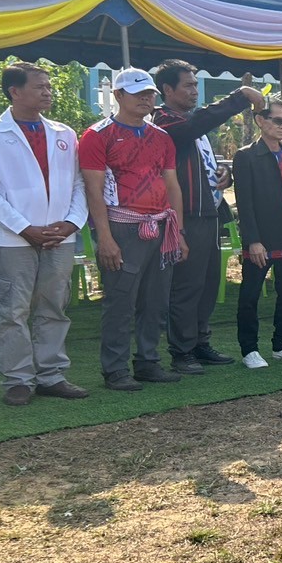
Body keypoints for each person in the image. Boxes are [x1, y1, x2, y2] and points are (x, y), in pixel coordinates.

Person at [0, 60, 88, 405]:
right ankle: (18, 380)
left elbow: (79, 183)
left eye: (49, 86)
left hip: (59, 236)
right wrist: (24, 227)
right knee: (14, 311)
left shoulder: (64, 133)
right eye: (39, 87)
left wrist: (72, 222)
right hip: (13, 239)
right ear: (15, 92)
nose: (48, 92)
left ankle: (51, 374)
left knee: (54, 306)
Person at [152, 59, 264, 373]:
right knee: (186, 287)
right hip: (186, 216)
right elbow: (194, 128)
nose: (194, 91)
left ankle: (200, 343)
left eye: (195, 84)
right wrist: (240, 97)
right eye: (188, 85)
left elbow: (200, 161)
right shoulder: (164, 121)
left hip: (209, 214)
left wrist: (221, 173)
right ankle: (182, 351)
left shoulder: (191, 122)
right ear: (167, 89)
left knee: (207, 285)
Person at [80, 68, 187, 391]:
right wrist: (105, 237)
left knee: (156, 300)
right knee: (120, 301)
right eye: (138, 93)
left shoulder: (162, 137)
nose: (146, 99)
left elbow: (172, 184)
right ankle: (115, 370)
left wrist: (179, 233)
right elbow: (93, 190)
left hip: (161, 225)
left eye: (150, 93)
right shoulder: (97, 135)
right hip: (121, 227)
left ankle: (148, 362)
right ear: (118, 95)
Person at [231, 99, 282, 369]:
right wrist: (253, 240)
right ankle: (249, 349)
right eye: (278, 121)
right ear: (260, 120)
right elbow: (244, 203)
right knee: (250, 296)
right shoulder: (245, 156)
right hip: (260, 243)